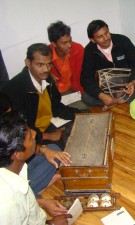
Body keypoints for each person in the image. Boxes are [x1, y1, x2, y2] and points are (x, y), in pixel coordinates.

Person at [2, 43, 77, 196]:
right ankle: (28, 192)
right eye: (40, 65)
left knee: (76, 131)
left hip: (45, 127)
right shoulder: (13, 89)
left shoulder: (48, 79)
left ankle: (41, 182)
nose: (46, 69)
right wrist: (47, 137)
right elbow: (21, 129)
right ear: (28, 63)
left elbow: (56, 107)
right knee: (61, 152)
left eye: (49, 64)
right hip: (27, 137)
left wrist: (79, 114)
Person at [0, 111, 72, 225]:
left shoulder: (16, 168)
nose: (34, 133)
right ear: (18, 154)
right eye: (29, 136)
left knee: (53, 150)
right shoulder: (7, 204)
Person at [80, 19, 135, 108]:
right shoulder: (89, 51)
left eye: (106, 33)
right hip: (105, 90)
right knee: (86, 98)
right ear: (92, 40)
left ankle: (116, 100)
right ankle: (116, 100)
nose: (106, 38)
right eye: (100, 37)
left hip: (128, 84)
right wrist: (102, 96)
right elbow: (86, 78)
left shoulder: (122, 40)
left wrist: (133, 82)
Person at [47, 20, 88, 111]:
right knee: (80, 111)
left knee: (92, 104)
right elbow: (33, 71)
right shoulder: (46, 54)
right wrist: (48, 76)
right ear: (53, 44)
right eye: (64, 43)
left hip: (78, 88)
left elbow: (86, 71)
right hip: (59, 91)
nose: (69, 45)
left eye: (70, 40)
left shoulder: (78, 49)